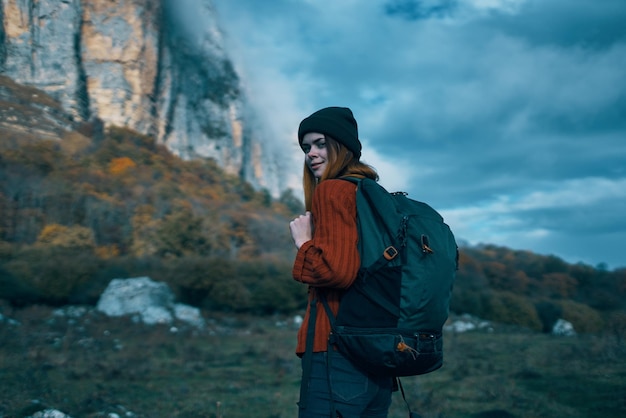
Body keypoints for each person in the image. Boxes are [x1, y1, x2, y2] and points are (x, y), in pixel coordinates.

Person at [289, 107, 393, 417]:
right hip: (377, 357)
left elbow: (337, 272)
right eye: (306, 147)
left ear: (341, 147)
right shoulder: (370, 194)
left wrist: (303, 242)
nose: (311, 153)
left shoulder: (333, 191)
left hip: (336, 353)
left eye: (320, 144)